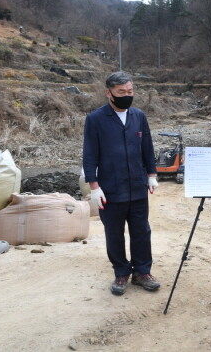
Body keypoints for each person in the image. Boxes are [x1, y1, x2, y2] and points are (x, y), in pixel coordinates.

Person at [83, 71, 160, 296]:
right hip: (110, 189)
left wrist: (152, 174)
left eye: (130, 91)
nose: (127, 96)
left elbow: (147, 147)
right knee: (114, 233)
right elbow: (89, 155)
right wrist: (94, 186)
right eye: (121, 92)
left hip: (137, 186)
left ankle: (142, 272)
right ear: (109, 93)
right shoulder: (96, 119)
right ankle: (121, 272)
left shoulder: (138, 116)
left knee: (141, 231)